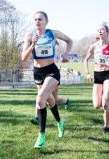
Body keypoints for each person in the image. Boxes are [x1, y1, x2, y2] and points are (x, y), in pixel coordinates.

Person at [21, 11, 72, 149]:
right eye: (35, 19)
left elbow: (69, 40)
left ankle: (41, 135)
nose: (37, 21)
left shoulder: (53, 33)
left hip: (51, 71)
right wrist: (32, 45)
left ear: (46, 21)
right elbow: (23, 58)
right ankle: (60, 122)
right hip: (38, 72)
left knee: (40, 99)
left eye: (40, 19)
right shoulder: (30, 35)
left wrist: (66, 54)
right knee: (50, 101)